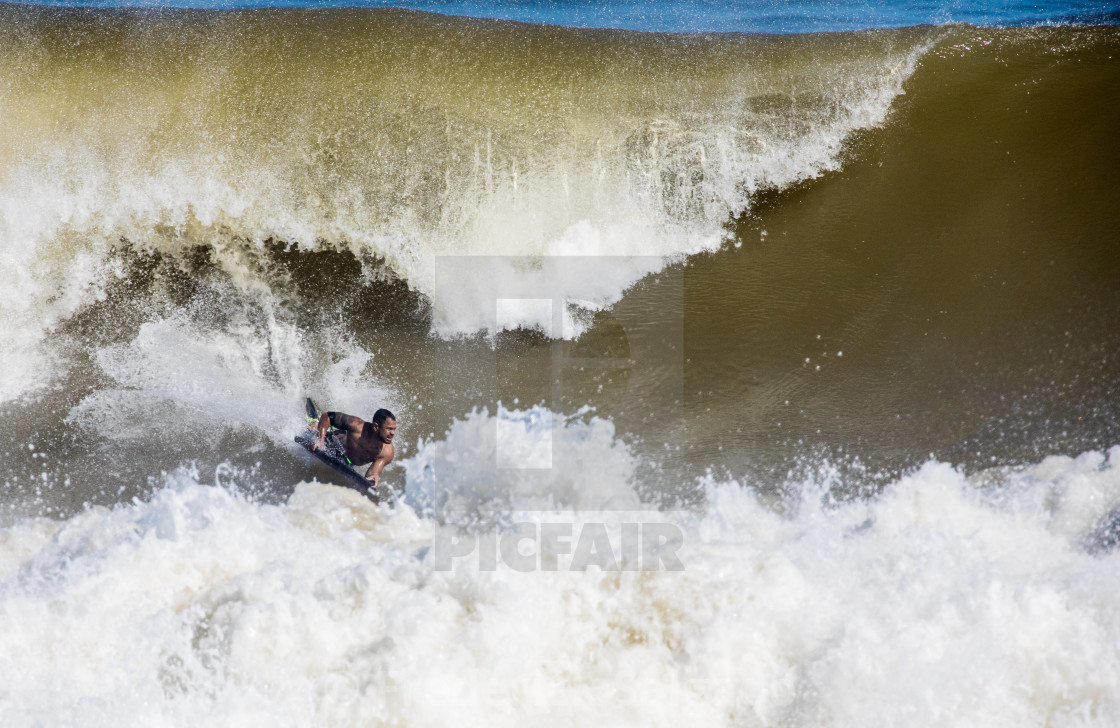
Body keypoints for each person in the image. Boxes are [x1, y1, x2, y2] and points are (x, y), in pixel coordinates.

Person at [312, 408, 397, 489]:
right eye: (389, 429)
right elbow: (327, 416)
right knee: (313, 430)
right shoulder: (356, 425)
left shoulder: (387, 452)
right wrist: (320, 439)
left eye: (394, 429)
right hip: (331, 443)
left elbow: (372, 473)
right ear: (376, 426)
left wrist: (374, 477)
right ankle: (314, 423)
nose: (393, 433)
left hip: (347, 462)